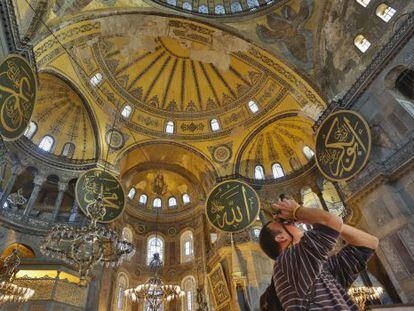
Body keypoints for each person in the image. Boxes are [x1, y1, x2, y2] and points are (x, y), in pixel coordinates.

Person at [259, 198, 379, 310]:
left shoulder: (320, 270)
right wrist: (297, 211)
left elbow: (369, 243)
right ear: (280, 237)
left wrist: (335, 227)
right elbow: (331, 222)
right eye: (286, 222)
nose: (294, 222)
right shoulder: (285, 262)